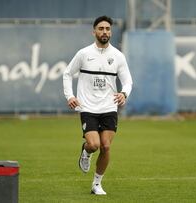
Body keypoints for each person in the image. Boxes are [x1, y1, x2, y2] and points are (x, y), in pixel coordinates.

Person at [63, 15, 133, 195]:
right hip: (88, 107)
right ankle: (86, 152)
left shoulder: (118, 56)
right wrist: (70, 95)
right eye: (101, 28)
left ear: (111, 32)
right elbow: (67, 73)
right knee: (94, 145)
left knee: (106, 146)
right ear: (94, 31)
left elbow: (128, 81)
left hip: (109, 107)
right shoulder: (84, 54)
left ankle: (96, 184)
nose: (105, 32)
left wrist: (124, 94)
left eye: (108, 29)